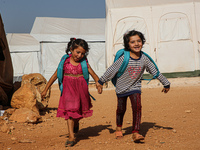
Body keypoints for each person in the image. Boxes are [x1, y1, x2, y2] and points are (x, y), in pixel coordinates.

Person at [96, 30, 170, 142]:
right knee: (121, 109)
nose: (136, 44)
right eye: (132, 42)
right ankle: (119, 127)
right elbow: (112, 70)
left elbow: (155, 71)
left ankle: (136, 132)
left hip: (135, 87)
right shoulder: (124, 58)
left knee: (137, 108)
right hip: (121, 88)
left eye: (139, 41)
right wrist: (101, 81)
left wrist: (165, 82)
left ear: (142, 42)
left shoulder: (144, 58)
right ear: (128, 45)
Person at [41, 38, 101, 147]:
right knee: (69, 113)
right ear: (71, 49)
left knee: (77, 112)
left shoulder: (84, 63)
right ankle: (71, 136)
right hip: (68, 90)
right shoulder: (65, 61)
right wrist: (46, 89)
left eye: (83, 53)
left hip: (80, 90)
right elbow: (55, 75)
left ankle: (76, 123)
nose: (80, 55)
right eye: (78, 52)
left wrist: (98, 83)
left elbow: (93, 73)